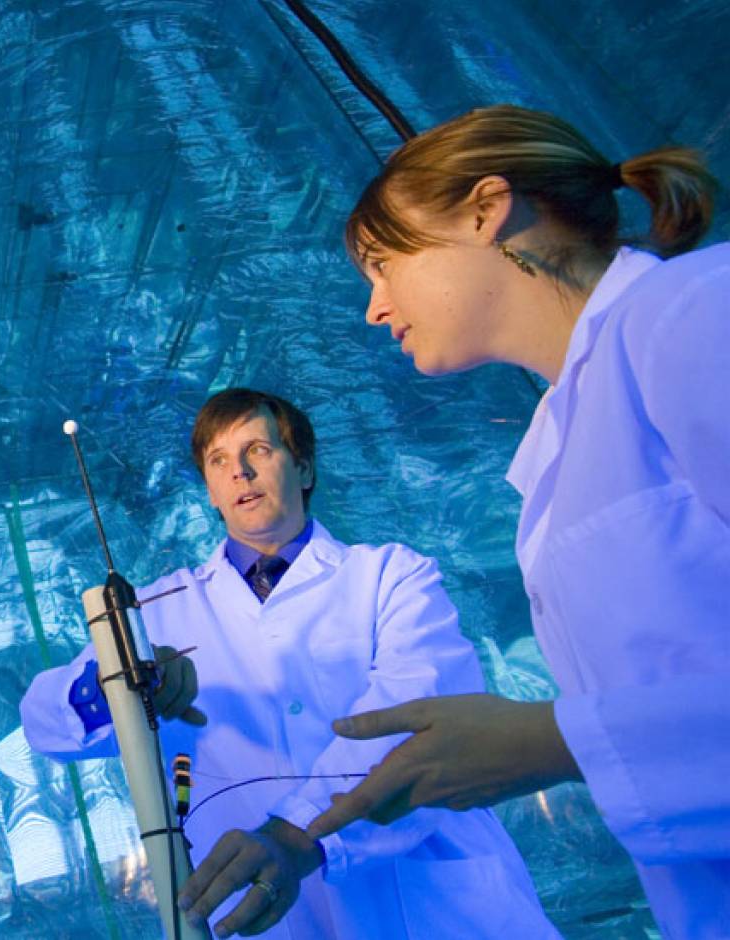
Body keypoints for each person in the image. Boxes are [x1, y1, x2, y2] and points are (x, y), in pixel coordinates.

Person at [304, 104, 729, 938]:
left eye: (384, 264)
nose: (374, 307)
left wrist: (553, 742)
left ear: (485, 209)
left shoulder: (693, 314)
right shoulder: (567, 433)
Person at [19, 388, 556, 939]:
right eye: (219, 461)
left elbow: (414, 719)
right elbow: (42, 722)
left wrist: (295, 836)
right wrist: (120, 685)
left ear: (302, 468)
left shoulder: (392, 577)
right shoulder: (156, 614)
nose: (240, 473)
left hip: (434, 909)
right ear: (208, 491)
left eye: (258, 451)